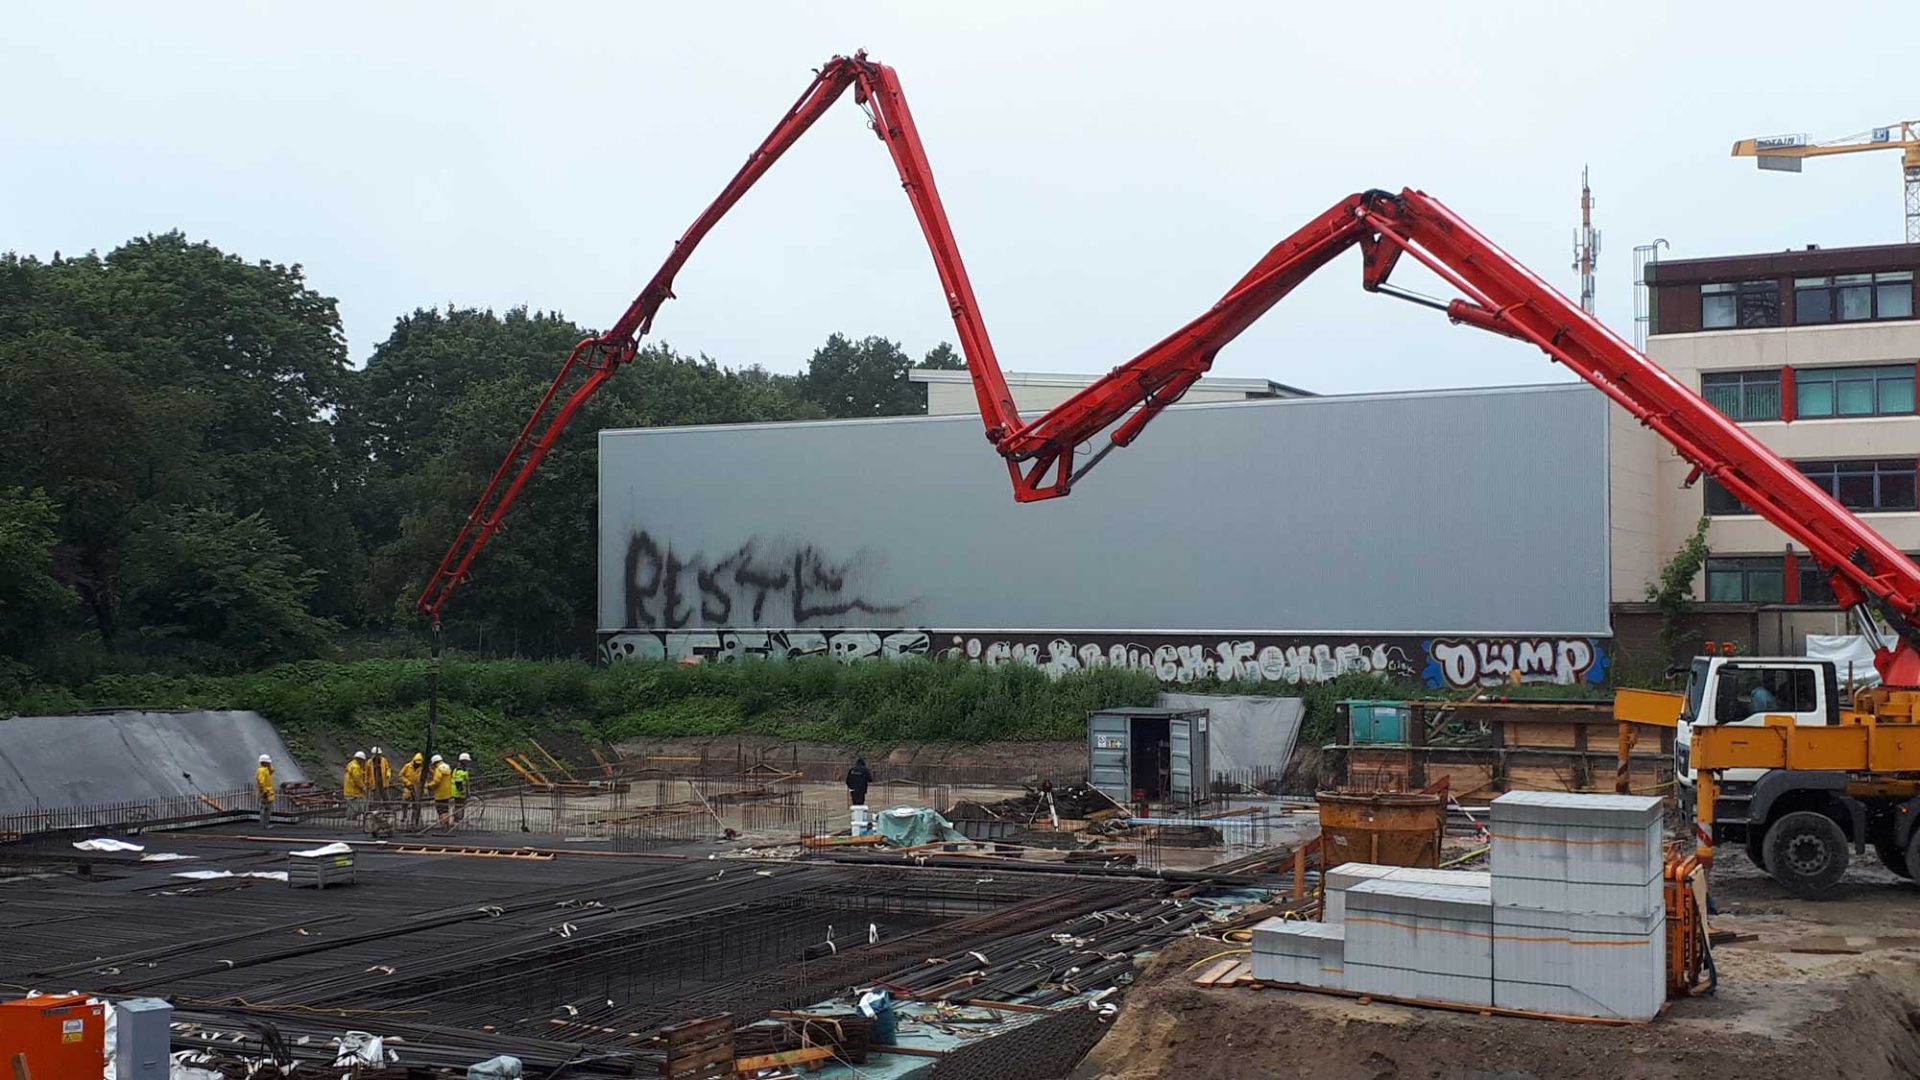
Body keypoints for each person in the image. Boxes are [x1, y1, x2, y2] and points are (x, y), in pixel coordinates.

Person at [399, 752, 425, 825]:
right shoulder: (407, 766)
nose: (417, 764)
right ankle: (404, 816)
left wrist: (424, 788)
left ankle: (414, 819)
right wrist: (407, 783)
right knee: (405, 801)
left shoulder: (421, 769)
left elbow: (423, 779)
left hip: (417, 788)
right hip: (408, 787)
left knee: (416, 804)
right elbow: (401, 776)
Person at [430, 754, 455, 827]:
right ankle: (446, 823)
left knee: (440, 809)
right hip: (447, 792)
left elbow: (436, 781)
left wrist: (429, 785)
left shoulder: (438, 769)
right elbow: (443, 776)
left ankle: (443, 824)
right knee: (445, 809)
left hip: (440, 793)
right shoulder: (447, 767)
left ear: (434, 762)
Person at [343, 751, 369, 821]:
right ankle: (354, 818)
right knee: (357, 805)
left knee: (351, 806)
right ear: (360, 759)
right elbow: (357, 779)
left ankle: (350, 818)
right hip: (353, 791)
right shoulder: (355, 767)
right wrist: (363, 787)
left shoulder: (351, 764)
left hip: (348, 790)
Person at [256, 754, 276, 829]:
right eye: (268, 762)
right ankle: (264, 825)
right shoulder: (261, 771)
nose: (269, 763)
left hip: (268, 792)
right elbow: (261, 782)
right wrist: (264, 792)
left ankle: (265, 824)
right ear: (264, 762)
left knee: (267, 809)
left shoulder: (265, 769)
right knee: (265, 809)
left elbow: (272, 771)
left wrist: (269, 766)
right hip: (266, 792)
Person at [452, 753, 472, 823]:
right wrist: (462, 790)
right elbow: (458, 782)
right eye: (467, 761)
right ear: (463, 761)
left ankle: (458, 819)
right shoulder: (459, 770)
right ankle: (457, 820)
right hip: (459, 792)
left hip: (460, 791)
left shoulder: (461, 769)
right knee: (459, 806)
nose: (468, 763)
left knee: (460, 805)